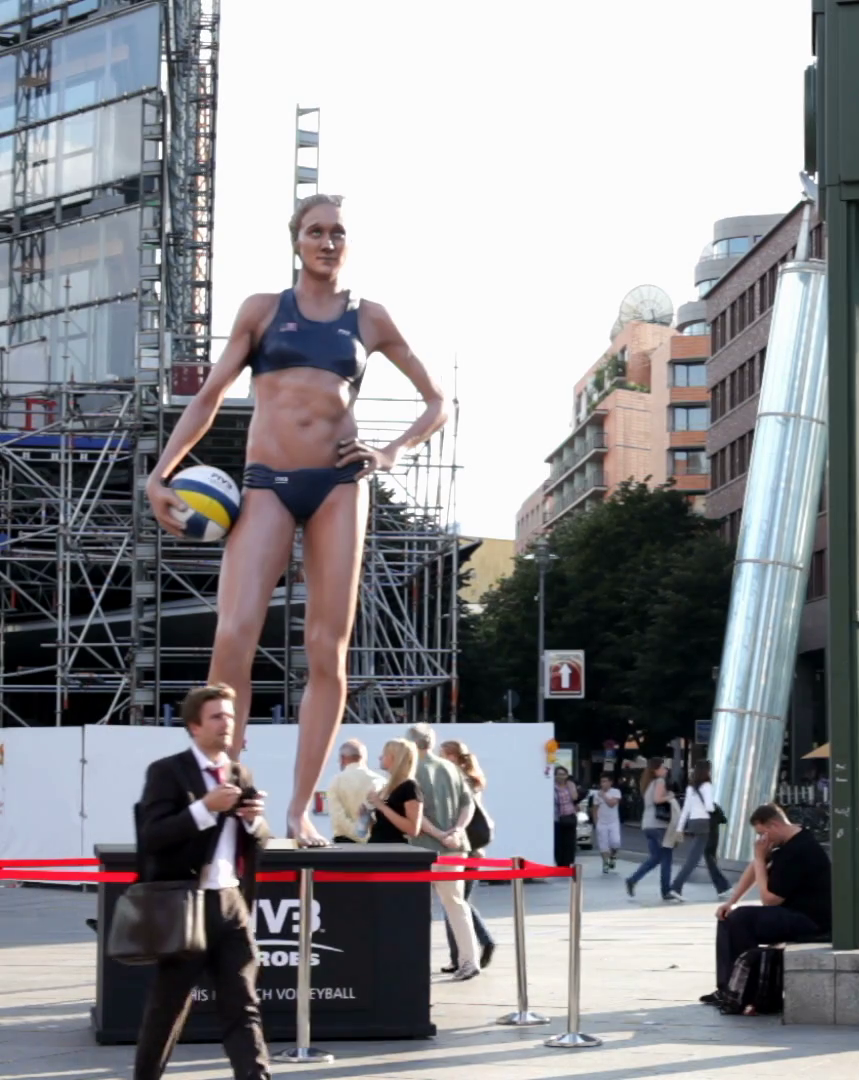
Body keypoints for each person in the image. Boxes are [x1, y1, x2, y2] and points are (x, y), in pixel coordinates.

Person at [144, 194, 447, 847]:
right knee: (234, 632)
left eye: (339, 232)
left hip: (340, 483)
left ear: (348, 243)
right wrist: (161, 471)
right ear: (296, 241)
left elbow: (436, 402)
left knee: (325, 650)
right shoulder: (262, 310)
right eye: (316, 231)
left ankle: (297, 810)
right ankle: (226, 780)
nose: (328, 241)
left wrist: (391, 451)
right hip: (267, 482)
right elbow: (212, 392)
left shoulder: (370, 317)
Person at [131, 685, 272, 1080]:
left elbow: (258, 838)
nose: (227, 724)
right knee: (169, 1007)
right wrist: (203, 809)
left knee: (243, 1005)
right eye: (217, 717)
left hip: (231, 903)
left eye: (230, 716)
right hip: (184, 903)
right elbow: (153, 835)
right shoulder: (167, 771)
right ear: (194, 725)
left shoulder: (240, 772)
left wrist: (253, 820)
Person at [706, 805, 833, 1006]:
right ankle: (727, 987)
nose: (761, 840)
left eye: (762, 833)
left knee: (742, 920)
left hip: (810, 919)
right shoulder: (787, 841)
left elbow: (769, 900)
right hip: (793, 912)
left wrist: (759, 858)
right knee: (728, 918)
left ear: (774, 825)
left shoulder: (797, 850)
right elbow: (754, 867)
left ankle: (744, 990)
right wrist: (731, 902)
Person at [406, 724, 480, 979]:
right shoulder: (451, 768)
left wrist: (438, 834)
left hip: (422, 848)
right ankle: (469, 960)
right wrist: (456, 831)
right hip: (455, 847)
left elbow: (415, 814)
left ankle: (414, 962)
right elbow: (467, 804)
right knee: (457, 905)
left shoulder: (410, 771)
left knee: (416, 908)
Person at [438, 739, 494, 975]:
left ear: (451, 756)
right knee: (457, 900)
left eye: (441, 754)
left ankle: (479, 944)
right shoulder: (472, 779)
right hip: (474, 848)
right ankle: (463, 953)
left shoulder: (458, 780)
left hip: (463, 847)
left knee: (454, 902)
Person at [670, 761, 732, 899]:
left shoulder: (690, 788)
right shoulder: (707, 786)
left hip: (693, 823)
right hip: (704, 823)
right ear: (706, 771)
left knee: (707, 856)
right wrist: (715, 807)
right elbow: (709, 807)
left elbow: (685, 810)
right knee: (694, 859)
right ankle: (676, 886)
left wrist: (680, 828)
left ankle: (723, 887)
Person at [625, 759, 680, 901]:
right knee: (666, 858)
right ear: (656, 770)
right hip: (658, 825)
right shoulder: (660, 781)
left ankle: (633, 879)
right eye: (663, 767)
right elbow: (657, 799)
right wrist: (670, 796)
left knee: (656, 858)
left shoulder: (647, 784)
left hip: (647, 825)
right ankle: (666, 890)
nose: (666, 770)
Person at [325, 738, 383, 844]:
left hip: (346, 844)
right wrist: (367, 837)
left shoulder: (337, 781)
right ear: (364, 758)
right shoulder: (381, 780)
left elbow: (338, 817)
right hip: (376, 843)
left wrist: (360, 835)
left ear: (342, 758)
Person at [590, 774, 625, 873]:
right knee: (603, 844)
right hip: (602, 822)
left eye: (605, 781)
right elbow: (595, 808)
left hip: (613, 822)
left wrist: (604, 795)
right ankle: (605, 863)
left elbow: (612, 804)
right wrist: (596, 822)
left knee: (616, 842)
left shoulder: (616, 792)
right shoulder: (597, 794)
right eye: (602, 782)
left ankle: (613, 856)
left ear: (610, 782)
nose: (603, 784)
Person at [552, 766, 581, 869]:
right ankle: (560, 863)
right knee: (559, 842)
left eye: (564, 774)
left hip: (570, 816)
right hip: (558, 818)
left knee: (570, 842)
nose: (561, 777)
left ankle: (568, 864)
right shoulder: (552, 786)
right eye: (559, 774)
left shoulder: (570, 784)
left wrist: (571, 786)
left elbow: (574, 798)